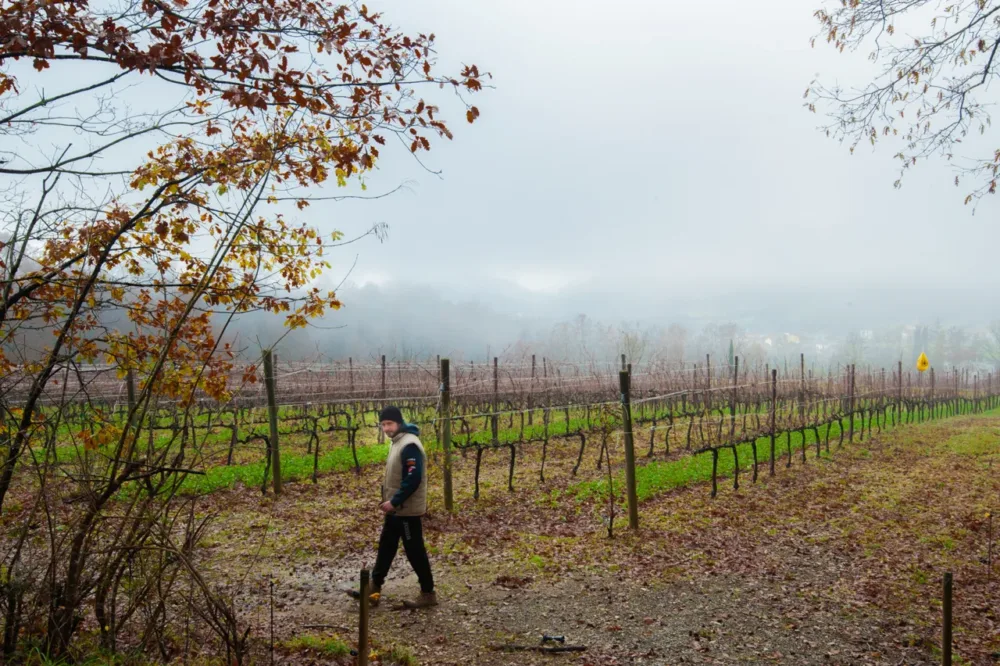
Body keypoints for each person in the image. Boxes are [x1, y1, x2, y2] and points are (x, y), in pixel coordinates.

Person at [353, 405, 437, 609]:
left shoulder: (409, 445)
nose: (386, 428)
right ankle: (374, 588)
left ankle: (428, 593)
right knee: (386, 547)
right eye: (382, 424)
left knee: (414, 550)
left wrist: (395, 501)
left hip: (406, 510)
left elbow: (413, 478)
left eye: (389, 423)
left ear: (399, 423)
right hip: (396, 509)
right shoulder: (397, 442)